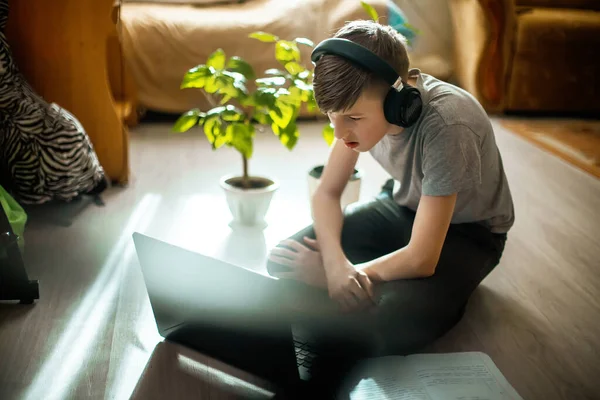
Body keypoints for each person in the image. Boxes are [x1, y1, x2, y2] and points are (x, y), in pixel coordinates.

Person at [265, 19, 515, 367]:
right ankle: (359, 288)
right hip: (403, 207)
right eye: (332, 117)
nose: (340, 132)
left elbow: (422, 258)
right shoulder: (355, 120)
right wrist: (338, 270)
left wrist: (338, 277)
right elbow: (327, 194)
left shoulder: (448, 124)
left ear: (399, 102)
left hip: (469, 235)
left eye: (352, 117)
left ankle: (435, 295)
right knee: (280, 260)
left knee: (386, 324)